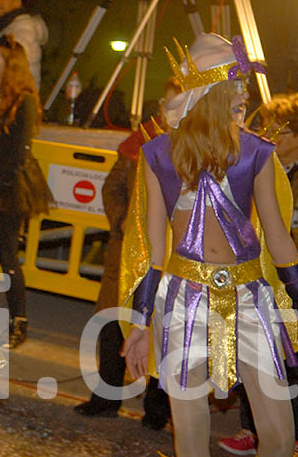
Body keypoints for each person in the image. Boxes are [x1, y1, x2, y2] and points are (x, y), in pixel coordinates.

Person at [119, 34, 298, 457]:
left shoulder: (255, 153)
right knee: (189, 437)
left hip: (250, 298)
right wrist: (139, 323)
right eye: (235, 85)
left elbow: (279, 241)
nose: (244, 94)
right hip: (181, 299)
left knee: (280, 438)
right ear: (211, 91)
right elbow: (154, 250)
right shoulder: (157, 155)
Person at [217, 92, 298, 456]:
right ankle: (252, 428)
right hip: (261, 269)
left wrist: (286, 241)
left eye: (277, 131)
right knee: (256, 346)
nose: (267, 135)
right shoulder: (262, 161)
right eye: (264, 126)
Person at [73, 78, 180, 426]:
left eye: (177, 104)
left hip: (171, 256)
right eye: (165, 104)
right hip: (126, 251)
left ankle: (158, 411)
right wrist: (121, 222)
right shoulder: (142, 140)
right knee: (112, 324)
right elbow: (113, 185)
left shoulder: (196, 149)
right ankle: (105, 398)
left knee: (162, 330)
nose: (169, 111)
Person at [0, 36, 52, 348]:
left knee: (7, 255)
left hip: (9, 187)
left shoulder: (25, 101)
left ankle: (19, 320)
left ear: (9, 64)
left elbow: (18, 154)